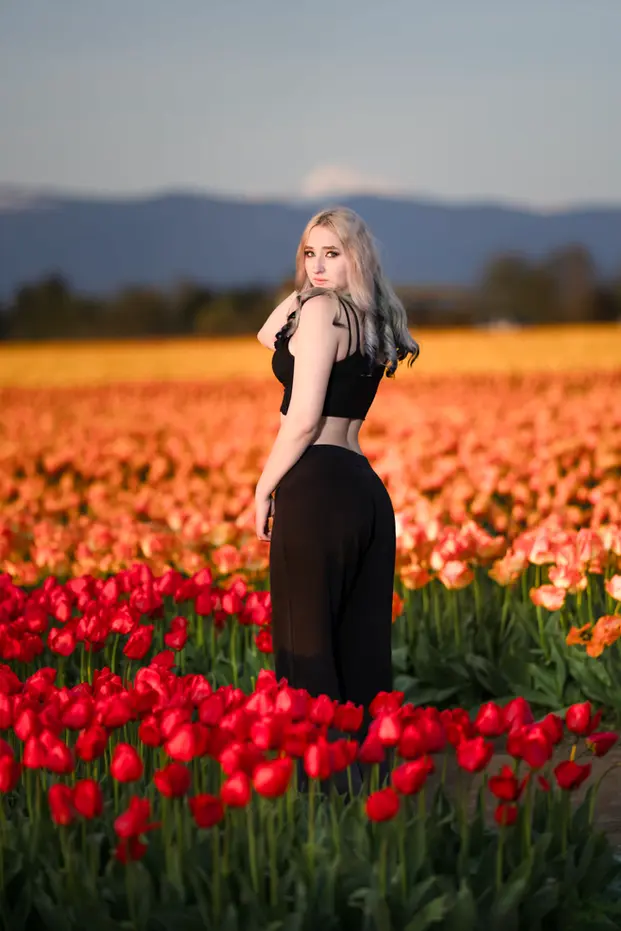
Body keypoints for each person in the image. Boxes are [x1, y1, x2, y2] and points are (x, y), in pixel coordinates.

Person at [254, 206, 419, 792]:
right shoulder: (368, 319)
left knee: (307, 653)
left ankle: (319, 804)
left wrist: (263, 486)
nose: (317, 266)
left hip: (317, 485)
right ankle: (374, 796)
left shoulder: (322, 312)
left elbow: (301, 421)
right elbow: (267, 332)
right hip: (364, 490)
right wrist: (309, 289)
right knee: (362, 653)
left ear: (356, 258)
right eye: (309, 254)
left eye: (332, 254)